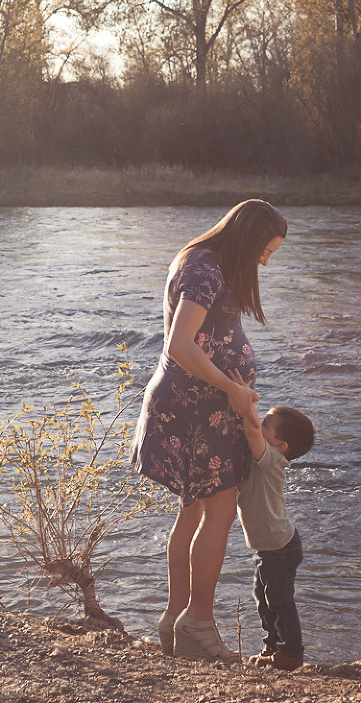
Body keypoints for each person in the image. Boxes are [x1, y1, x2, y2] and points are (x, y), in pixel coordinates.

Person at [129, 199, 288, 662]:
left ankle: (176, 618)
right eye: (264, 252)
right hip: (200, 407)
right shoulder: (207, 271)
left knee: (193, 512)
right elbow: (180, 344)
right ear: (248, 236)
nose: (264, 262)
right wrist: (232, 391)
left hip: (189, 405)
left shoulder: (199, 260)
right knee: (218, 511)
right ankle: (198, 623)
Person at [234, 391, 315, 671]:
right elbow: (256, 432)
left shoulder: (270, 460)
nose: (258, 423)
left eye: (265, 423)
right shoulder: (265, 455)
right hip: (271, 547)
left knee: (279, 601)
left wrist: (244, 403)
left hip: (280, 548)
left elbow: (252, 431)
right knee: (264, 598)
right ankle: (273, 646)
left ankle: (292, 653)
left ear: (280, 446)